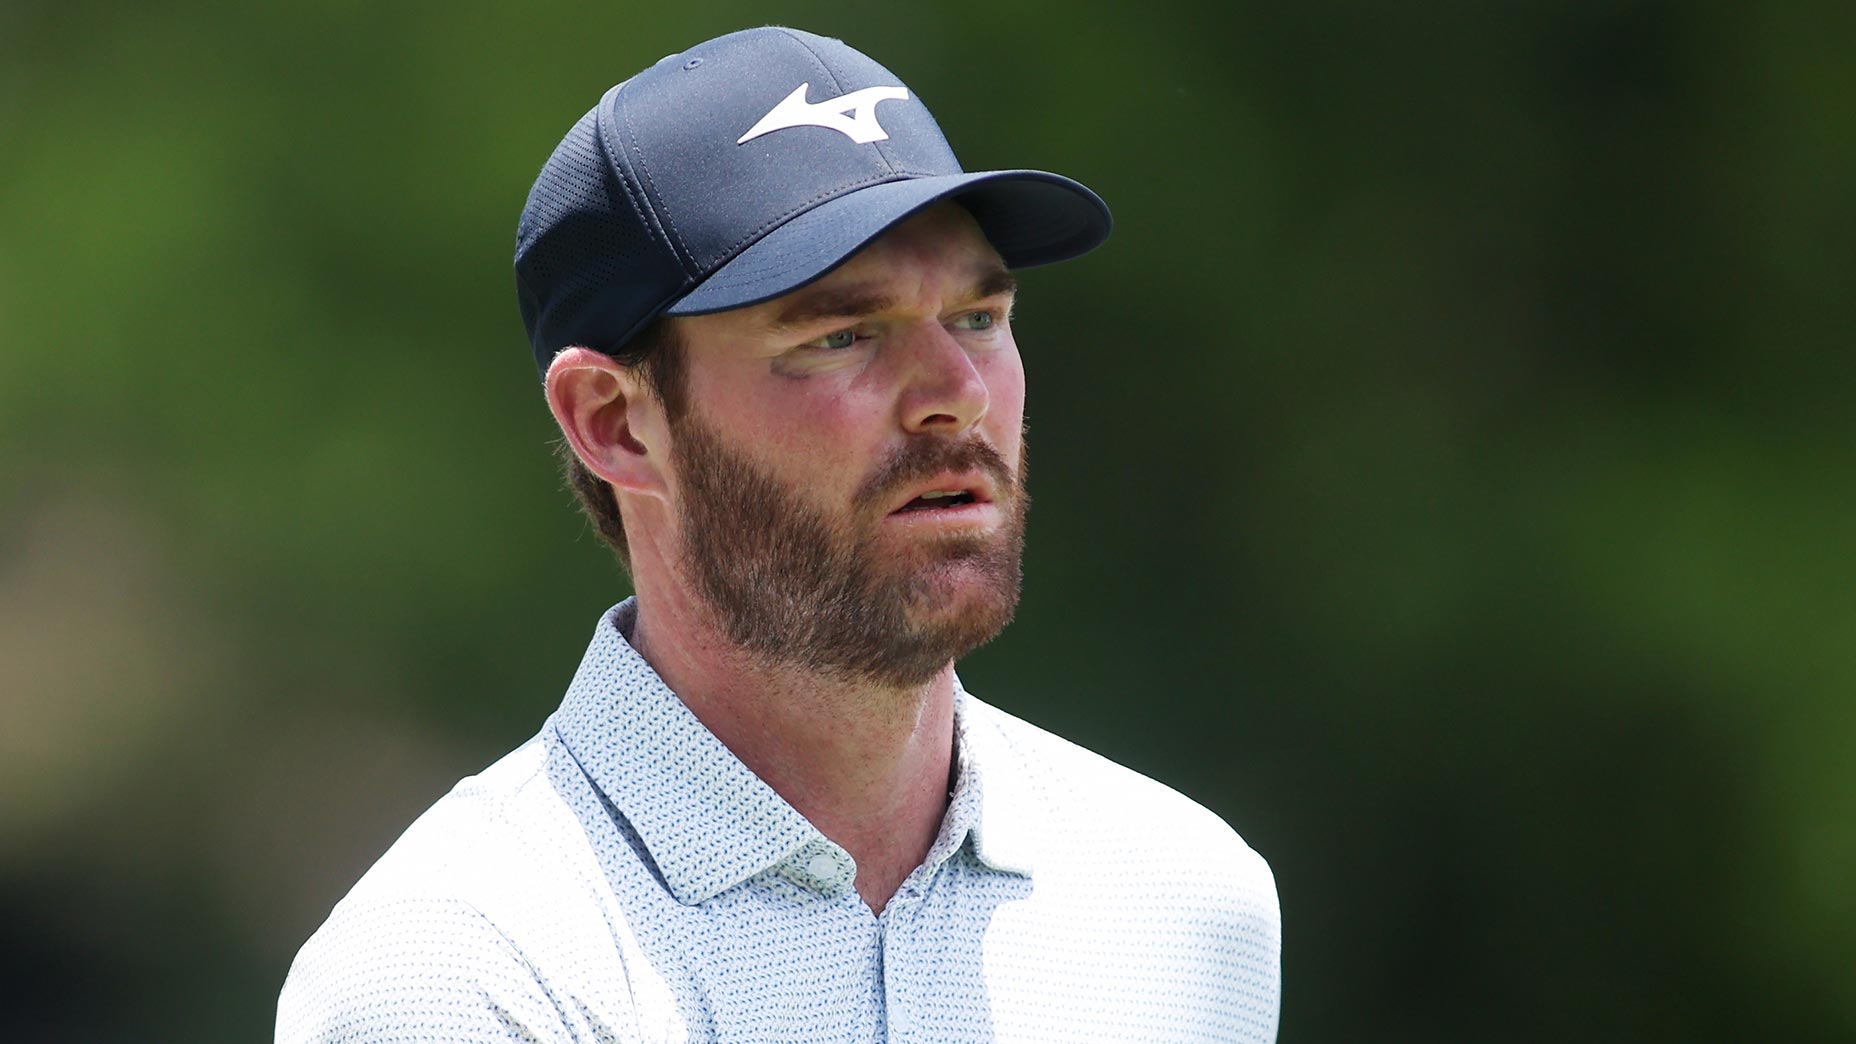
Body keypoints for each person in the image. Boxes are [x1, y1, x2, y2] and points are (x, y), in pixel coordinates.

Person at [277, 26, 1280, 1043]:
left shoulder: (1187, 904)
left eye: (978, 317)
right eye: (840, 336)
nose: (958, 397)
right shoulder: (460, 975)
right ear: (615, 423)